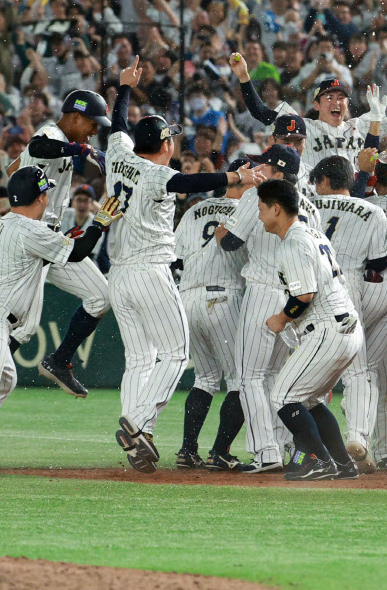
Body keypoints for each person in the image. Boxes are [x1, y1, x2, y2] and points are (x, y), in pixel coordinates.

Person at [106, 57, 258, 474]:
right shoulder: (157, 174)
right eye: (171, 140)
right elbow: (189, 183)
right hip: (150, 269)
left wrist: (122, 89)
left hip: (118, 274)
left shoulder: (116, 156)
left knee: (139, 359)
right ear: (166, 145)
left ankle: (139, 435)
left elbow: (117, 126)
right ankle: (137, 425)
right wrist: (234, 179)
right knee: (175, 354)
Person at [0, 167, 121, 476]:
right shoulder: (28, 228)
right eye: (46, 193)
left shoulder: (8, 223)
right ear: (41, 197)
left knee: (3, 380)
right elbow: (79, 251)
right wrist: (99, 223)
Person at [216, 144, 320, 474]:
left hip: (263, 291)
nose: (260, 171)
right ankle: (282, 445)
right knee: (275, 378)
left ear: (275, 171)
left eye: (266, 167)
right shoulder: (309, 205)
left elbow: (231, 241)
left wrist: (220, 228)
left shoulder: (257, 196)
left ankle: (266, 452)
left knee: (249, 377)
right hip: (295, 296)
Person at [7, 88, 113, 397]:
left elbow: (14, 167)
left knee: (100, 296)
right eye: (92, 123)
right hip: (31, 238)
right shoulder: (50, 133)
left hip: (51, 237)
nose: (95, 130)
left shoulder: (64, 142)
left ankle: (59, 359)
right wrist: (80, 152)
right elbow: (38, 145)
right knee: (24, 328)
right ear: (76, 117)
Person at [310, 155, 387, 474]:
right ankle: (357, 436)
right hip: (347, 285)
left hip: (309, 286)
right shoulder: (371, 210)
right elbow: (381, 262)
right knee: (359, 369)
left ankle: (306, 450)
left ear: (324, 182)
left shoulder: (308, 207)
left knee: (307, 371)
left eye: (317, 181)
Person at [258, 179, 363, 481]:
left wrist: (280, 318)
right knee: (309, 400)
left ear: (276, 209)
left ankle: (319, 461)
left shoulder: (293, 242)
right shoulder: (313, 234)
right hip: (346, 328)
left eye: (262, 208)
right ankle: (343, 464)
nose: (260, 215)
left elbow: (304, 295)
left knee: (282, 397)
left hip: (328, 329)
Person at [174, 158, 250, 471]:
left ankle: (187, 450)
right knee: (241, 380)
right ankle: (220, 453)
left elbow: (174, 260)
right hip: (224, 297)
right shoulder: (247, 213)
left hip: (188, 298)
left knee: (205, 378)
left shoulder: (194, 209)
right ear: (239, 181)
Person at [228, 53, 387, 170]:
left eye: (341, 98)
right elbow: (261, 112)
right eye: (329, 97)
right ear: (316, 104)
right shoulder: (304, 127)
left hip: (353, 197)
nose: (336, 102)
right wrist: (244, 77)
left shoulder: (359, 125)